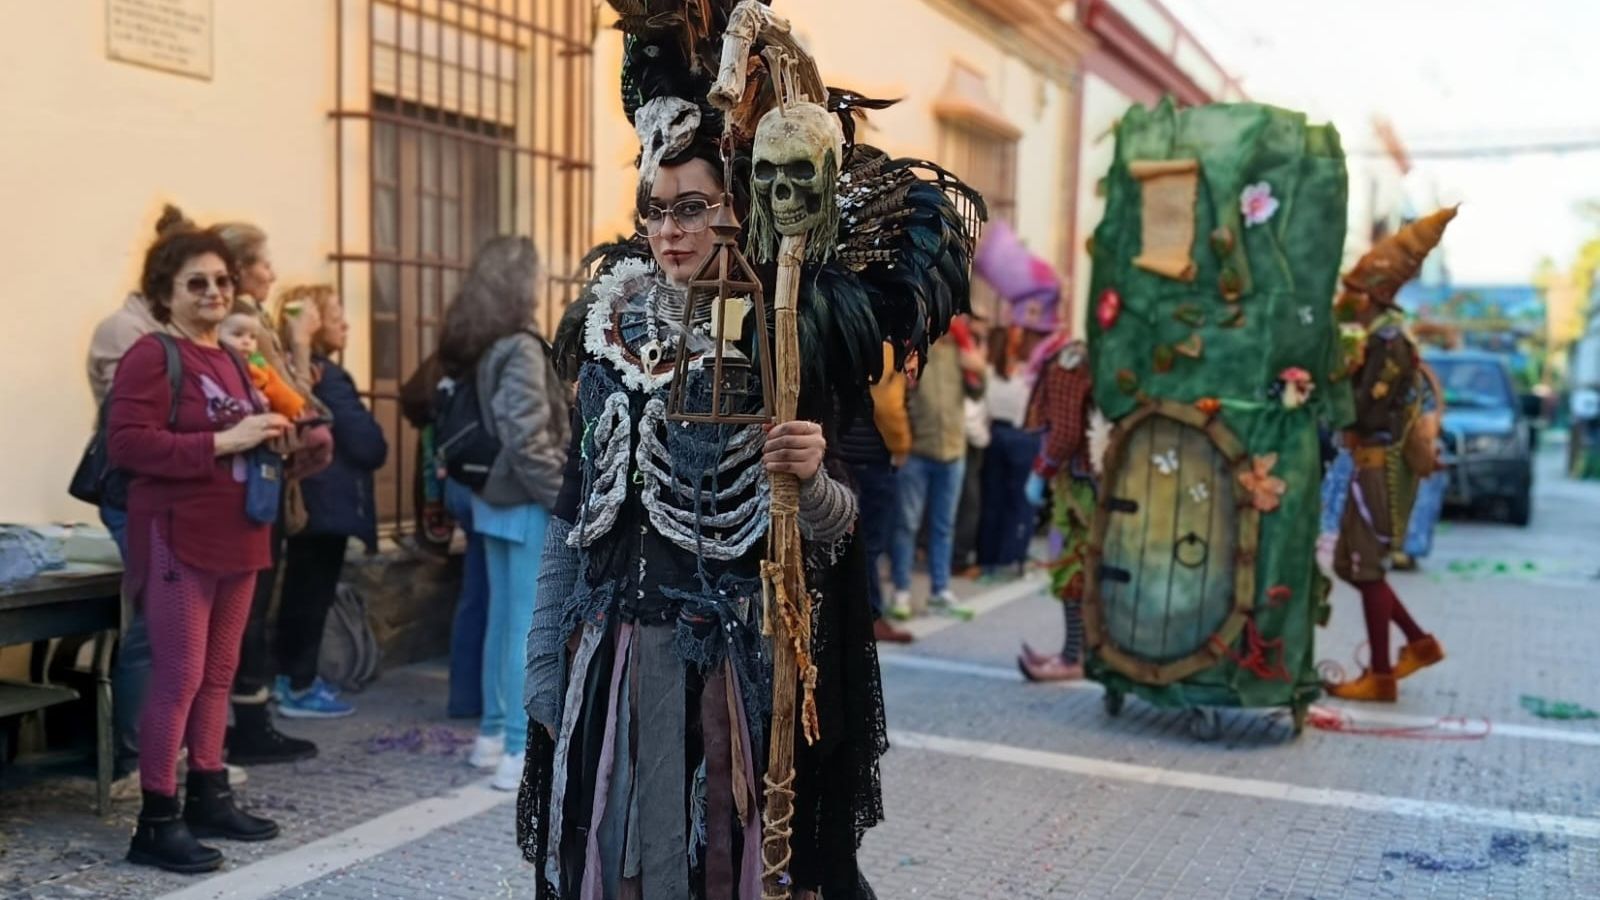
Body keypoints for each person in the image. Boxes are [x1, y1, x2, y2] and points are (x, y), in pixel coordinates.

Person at [514, 8, 979, 889]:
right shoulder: (613, 325)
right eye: (657, 211)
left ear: (738, 208)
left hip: (726, 669)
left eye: (693, 208)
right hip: (610, 657)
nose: (671, 231)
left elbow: (831, 532)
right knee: (612, 859)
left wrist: (811, 475)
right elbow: (578, 505)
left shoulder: (779, 337)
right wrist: (547, 654)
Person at [108, 225, 285, 873]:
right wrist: (226, 442)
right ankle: (155, 819)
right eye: (197, 283)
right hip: (176, 536)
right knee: (178, 676)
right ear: (166, 291)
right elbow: (128, 445)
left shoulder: (234, 358)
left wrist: (275, 437)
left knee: (218, 674)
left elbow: (236, 432)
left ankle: (209, 792)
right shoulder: (153, 355)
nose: (214, 292)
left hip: (239, 533)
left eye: (221, 281)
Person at [436, 237, 570, 791]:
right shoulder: (517, 345)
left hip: (492, 498)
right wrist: (559, 495)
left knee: (501, 621)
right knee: (523, 625)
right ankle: (518, 748)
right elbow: (525, 435)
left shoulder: (482, 343)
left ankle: (494, 737)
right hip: (522, 498)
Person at [1327, 209, 1455, 703]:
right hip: (1366, 464)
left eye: (1354, 291)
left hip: (1376, 467)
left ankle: (1383, 674)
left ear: (1374, 295)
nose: (1347, 299)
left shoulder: (1388, 343)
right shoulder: (1377, 339)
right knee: (1350, 564)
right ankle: (1416, 644)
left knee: (1365, 567)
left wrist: (1329, 388)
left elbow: (1365, 412)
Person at [210, 221, 323, 765]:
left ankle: (239, 724)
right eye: (262, 263)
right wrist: (299, 344)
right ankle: (248, 725)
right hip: (256, 478)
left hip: (258, 475)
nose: (272, 273)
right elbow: (291, 397)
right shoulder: (246, 324)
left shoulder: (240, 324)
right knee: (250, 605)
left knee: (247, 606)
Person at [86, 204, 190, 798]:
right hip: (135, 495)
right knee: (153, 625)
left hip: (188, 498)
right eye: (194, 279)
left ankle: (178, 753)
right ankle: (133, 761)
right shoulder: (123, 331)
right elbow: (144, 427)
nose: (209, 292)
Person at [272, 286, 388, 717]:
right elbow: (368, 445)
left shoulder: (305, 373)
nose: (346, 324)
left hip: (315, 503)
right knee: (309, 596)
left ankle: (293, 682)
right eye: (336, 315)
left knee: (303, 594)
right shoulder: (330, 378)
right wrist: (375, 439)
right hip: (326, 506)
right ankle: (297, 686)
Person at [889, 329, 986, 619]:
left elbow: (977, 392)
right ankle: (901, 591)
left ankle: (940, 591)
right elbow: (897, 395)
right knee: (907, 524)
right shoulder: (912, 346)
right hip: (916, 451)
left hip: (953, 451)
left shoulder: (961, 347)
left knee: (944, 526)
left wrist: (979, 370)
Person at [1018, 332, 1095, 682]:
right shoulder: (1073, 355)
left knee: (1070, 569)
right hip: (1085, 480)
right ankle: (1076, 651)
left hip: (1078, 484)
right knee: (1076, 568)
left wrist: (1042, 469)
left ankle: (1073, 656)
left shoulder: (1066, 361)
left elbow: (1065, 431)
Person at [837, 343, 914, 643]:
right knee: (868, 544)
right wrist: (902, 447)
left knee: (847, 541)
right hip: (870, 460)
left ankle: (853, 616)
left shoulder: (847, 344)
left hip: (842, 458)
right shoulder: (884, 347)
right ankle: (870, 617)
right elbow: (890, 408)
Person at [977, 325, 1045, 580]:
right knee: (1019, 502)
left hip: (994, 434)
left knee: (992, 500)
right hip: (1021, 436)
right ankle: (1013, 556)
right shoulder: (1026, 374)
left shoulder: (987, 370)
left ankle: (988, 557)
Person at [219, 307, 308, 420]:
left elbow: (277, 385)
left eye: (253, 337)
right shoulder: (220, 362)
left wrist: (292, 407)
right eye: (237, 334)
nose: (247, 342)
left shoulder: (259, 364)